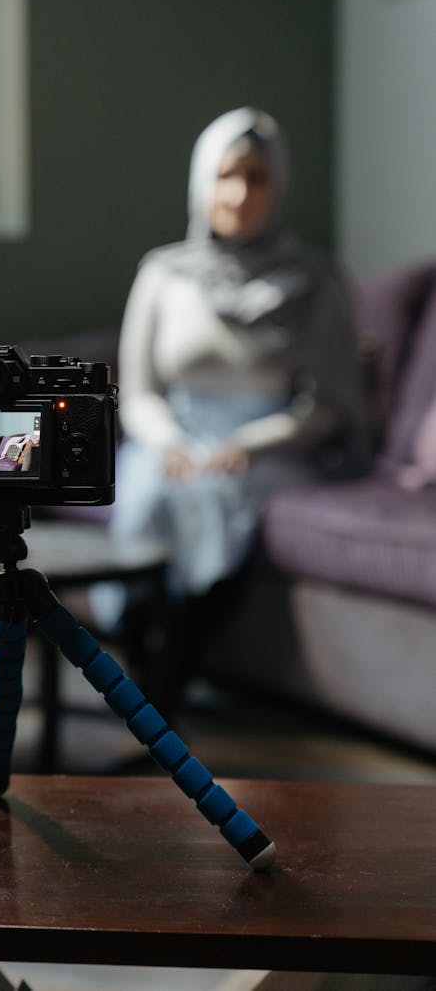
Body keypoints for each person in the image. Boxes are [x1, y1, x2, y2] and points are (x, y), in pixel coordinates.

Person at [102, 107, 366, 707]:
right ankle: (136, 657)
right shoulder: (163, 274)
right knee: (145, 491)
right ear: (202, 182)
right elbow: (139, 393)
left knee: (219, 496)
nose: (241, 194)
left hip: (270, 448)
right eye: (226, 175)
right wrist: (170, 443)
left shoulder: (315, 280)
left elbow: (326, 406)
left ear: (279, 185)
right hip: (173, 438)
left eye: (258, 177)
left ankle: (166, 687)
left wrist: (244, 446)